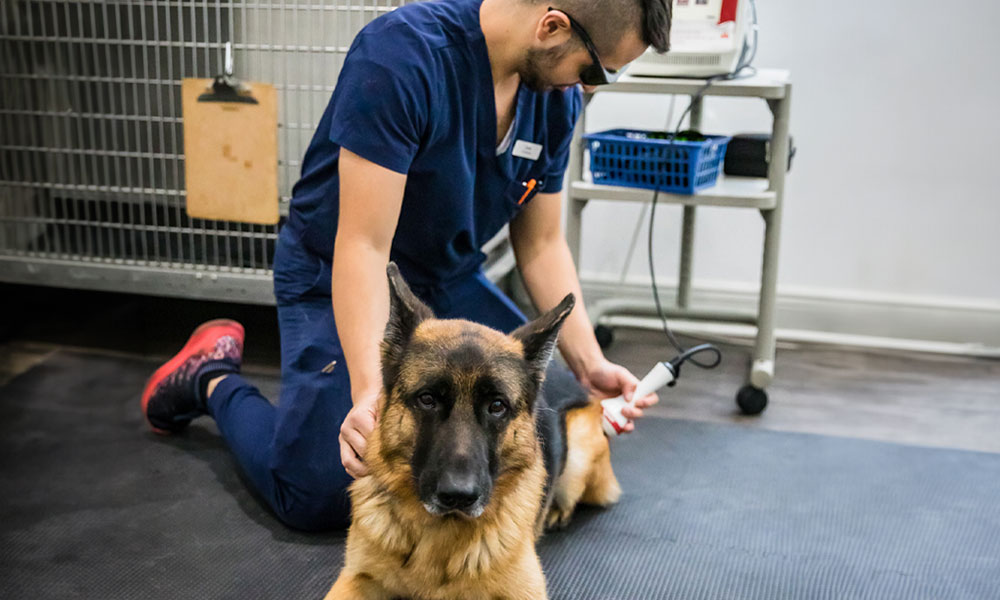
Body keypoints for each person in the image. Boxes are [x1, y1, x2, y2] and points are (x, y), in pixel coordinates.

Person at [142, 0, 672, 532]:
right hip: (338, 273)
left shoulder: (553, 101)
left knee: (543, 417)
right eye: (595, 70)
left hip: (449, 279)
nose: (592, 87)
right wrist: (372, 396)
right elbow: (364, 248)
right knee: (319, 491)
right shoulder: (403, 57)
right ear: (552, 27)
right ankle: (210, 378)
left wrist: (589, 363)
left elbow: (541, 244)